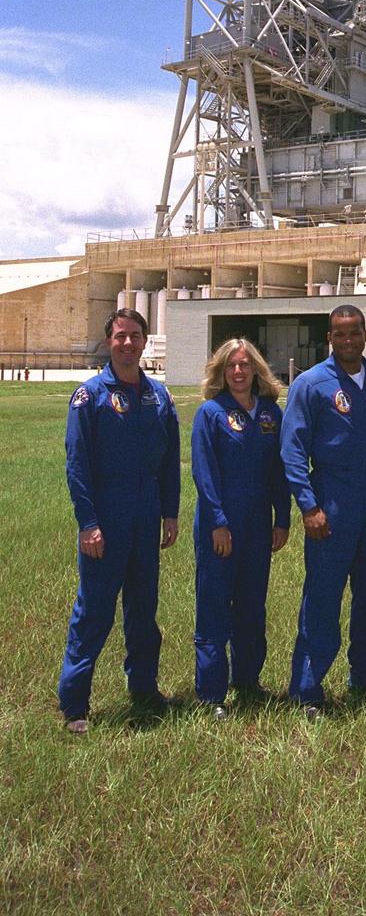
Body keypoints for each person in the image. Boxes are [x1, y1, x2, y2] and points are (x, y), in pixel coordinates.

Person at [281, 305, 366, 716]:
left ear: (365, 335)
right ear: (330, 339)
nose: (348, 341)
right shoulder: (311, 384)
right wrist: (308, 506)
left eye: (354, 333)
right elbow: (292, 450)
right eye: (340, 335)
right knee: (322, 596)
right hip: (331, 498)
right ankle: (307, 689)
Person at [58, 309, 180, 733]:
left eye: (135, 336)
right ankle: (75, 704)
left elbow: (169, 463)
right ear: (109, 341)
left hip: (146, 516)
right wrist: (88, 522)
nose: (128, 344)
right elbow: (77, 465)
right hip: (105, 519)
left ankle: (144, 689)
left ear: (146, 342)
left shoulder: (159, 397)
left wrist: (170, 512)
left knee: (143, 611)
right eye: (120, 336)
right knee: (93, 612)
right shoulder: (89, 396)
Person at [191, 339, 290, 718]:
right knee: (215, 604)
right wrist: (217, 522)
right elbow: (205, 473)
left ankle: (248, 681)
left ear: (256, 370)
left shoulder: (269, 414)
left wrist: (282, 517)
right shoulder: (211, 414)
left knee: (252, 604)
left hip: (258, 524)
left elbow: (279, 471)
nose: (238, 371)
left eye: (245, 365)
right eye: (231, 365)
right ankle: (212, 693)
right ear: (220, 370)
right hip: (221, 523)